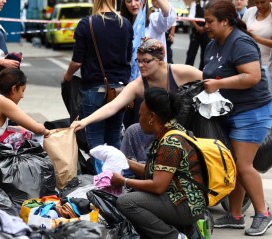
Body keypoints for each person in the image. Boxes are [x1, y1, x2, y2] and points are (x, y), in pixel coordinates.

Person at [202, 0, 272, 236]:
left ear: (225, 21)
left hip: (252, 112)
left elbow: (252, 76)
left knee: (244, 165)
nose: (206, 26)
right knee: (234, 165)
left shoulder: (240, 41)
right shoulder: (214, 44)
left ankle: (264, 213)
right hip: (230, 112)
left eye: (210, 21)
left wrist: (219, 84)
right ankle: (235, 215)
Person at [113, 87, 209, 239]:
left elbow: (158, 186)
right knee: (136, 194)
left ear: (151, 117)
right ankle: (192, 233)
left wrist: (123, 181)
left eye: (140, 114)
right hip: (188, 200)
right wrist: (124, 161)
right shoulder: (171, 131)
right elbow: (154, 172)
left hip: (185, 204)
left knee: (126, 202)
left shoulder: (170, 143)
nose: (138, 119)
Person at [71, 37, 202, 162]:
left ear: (160, 60)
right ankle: (126, 173)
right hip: (159, 132)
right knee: (133, 130)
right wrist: (84, 122)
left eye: (146, 61)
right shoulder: (139, 84)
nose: (140, 65)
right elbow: (113, 106)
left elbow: (210, 83)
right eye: (138, 60)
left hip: (188, 128)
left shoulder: (182, 72)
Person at [63, 0, 133, 173]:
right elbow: (128, 57)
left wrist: (68, 75)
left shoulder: (87, 23)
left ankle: (102, 182)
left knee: (95, 141)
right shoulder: (125, 23)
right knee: (114, 137)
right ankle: (117, 178)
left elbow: (77, 60)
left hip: (95, 88)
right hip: (120, 90)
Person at [121, 0, 176, 128]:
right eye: (129, 1)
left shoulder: (154, 20)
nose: (134, 4)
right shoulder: (123, 24)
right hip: (128, 83)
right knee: (129, 128)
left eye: (137, 0)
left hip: (152, 85)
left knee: (148, 127)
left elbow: (169, 16)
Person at [242, 0, 272, 125]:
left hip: (269, 66)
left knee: (266, 107)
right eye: (256, 2)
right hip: (249, 64)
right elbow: (240, 32)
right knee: (250, 105)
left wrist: (257, 39)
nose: (259, 5)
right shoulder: (250, 12)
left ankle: (269, 140)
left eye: (263, 2)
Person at [185, 0, 211, 71]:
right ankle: (187, 71)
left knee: (205, 54)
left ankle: (202, 72)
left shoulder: (211, 4)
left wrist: (205, 27)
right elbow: (191, 17)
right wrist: (198, 27)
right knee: (191, 53)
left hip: (207, 32)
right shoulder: (195, 3)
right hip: (196, 32)